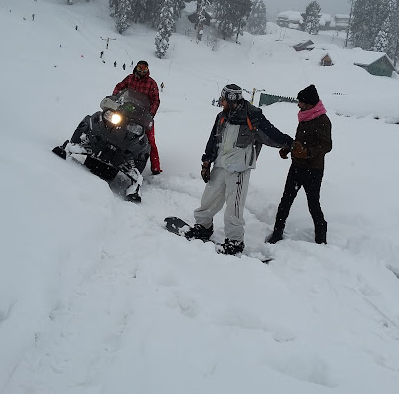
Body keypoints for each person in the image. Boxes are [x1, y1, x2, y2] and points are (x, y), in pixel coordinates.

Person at [186, 84, 294, 255]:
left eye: (223, 99)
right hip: (221, 163)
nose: (221, 102)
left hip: (239, 167)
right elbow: (213, 140)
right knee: (209, 197)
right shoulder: (222, 116)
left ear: (231, 100)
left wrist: (289, 143)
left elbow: (272, 134)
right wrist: (206, 162)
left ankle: (235, 241)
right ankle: (203, 227)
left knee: (234, 206)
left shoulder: (253, 116)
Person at [266, 84, 332, 245]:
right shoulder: (305, 116)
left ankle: (321, 238)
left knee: (313, 204)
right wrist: (288, 149)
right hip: (296, 167)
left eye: (300, 102)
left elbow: (326, 146)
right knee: (285, 201)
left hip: (313, 169)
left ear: (309, 103)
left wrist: (307, 153)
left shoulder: (322, 120)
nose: (298, 104)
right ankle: (277, 233)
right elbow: (301, 141)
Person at [113, 60, 162, 174]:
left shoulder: (151, 83)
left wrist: (150, 114)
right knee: (112, 123)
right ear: (136, 67)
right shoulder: (130, 78)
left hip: (142, 115)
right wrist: (115, 97)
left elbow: (156, 100)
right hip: (126, 110)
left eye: (144, 68)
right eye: (140, 68)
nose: (142, 71)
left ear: (147, 70)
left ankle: (156, 168)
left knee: (150, 140)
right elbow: (120, 86)